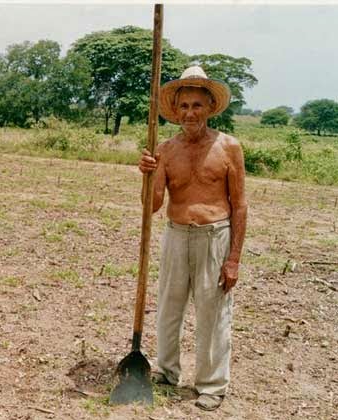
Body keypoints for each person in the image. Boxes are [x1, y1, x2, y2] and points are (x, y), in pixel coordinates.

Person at [138, 66, 248, 411]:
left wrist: (233, 259)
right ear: (176, 111)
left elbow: (240, 205)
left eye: (197, 105)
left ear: (210, 107)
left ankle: (211, 385)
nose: (189, 113)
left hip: (215, 236)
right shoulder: (166, 150)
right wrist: (146, 175)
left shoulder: (229, 147)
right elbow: (153, 206)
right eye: (183, 106)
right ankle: (167, 372)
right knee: (169, 308)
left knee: (213, 313)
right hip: (176, 235)